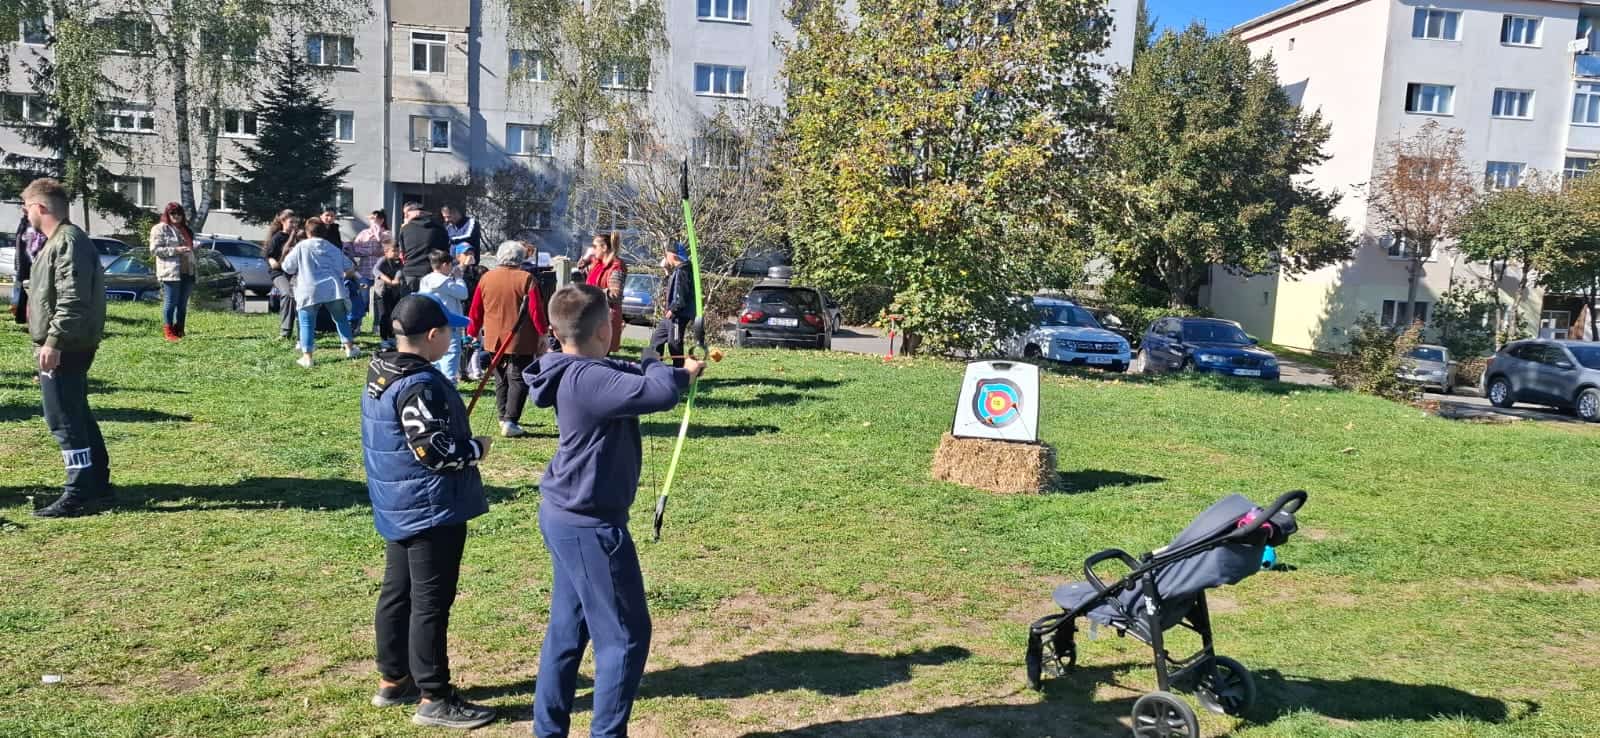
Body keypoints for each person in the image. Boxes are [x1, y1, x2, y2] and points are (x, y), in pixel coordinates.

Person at [527, 284, 703, 738]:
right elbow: (657, 392)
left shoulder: (576, 366)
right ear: (606, 328)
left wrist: (678, 368)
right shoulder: (589, 380)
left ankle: (548, 731)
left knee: (568, 630)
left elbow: (646, 379)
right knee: (625, 637)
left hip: (567, 515)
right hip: (590, 525)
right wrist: (657, 358)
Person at [360, 294, 497, 730]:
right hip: (429, 508)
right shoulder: (420, 384)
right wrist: (475, 450)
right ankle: (434, 696)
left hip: (398, 503)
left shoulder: (383, 370)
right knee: (430, 603)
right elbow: (434, 453)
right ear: (433, 335)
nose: (454, 338)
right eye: (450, 331)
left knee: (397, 592)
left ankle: (392, 678)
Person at [23, 178, 110, 519]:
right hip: (67, 342)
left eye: (27, 206)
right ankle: (96, 485)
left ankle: (78, 492)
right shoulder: (60, 241)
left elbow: (72, 299)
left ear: (41, 207)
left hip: (67, 343)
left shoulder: (68, 241)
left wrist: (53, 342)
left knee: (63, 418)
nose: (25, 213)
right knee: (76, 413)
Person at [466, 241, 549, 437]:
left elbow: (475, 308)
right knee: (518, 377)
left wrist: (472, 330)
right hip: (520, 337)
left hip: (494, 336)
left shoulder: (487, 278)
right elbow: (536, 310)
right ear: (521, 258)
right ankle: (510, 421)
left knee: (500, 377)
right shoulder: (527, 279)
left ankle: (503, 416)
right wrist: (543, 333)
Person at [282, 219, 360, 368]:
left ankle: (307, 357)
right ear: (324, 232)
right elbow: (349, 266)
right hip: (333, 289)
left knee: (307, 323)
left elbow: (288, 267)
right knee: (341, 319)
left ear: (307, 232)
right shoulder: (333, 248)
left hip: (309, 289)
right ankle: (349, 348)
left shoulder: (301, 246)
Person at [149, 202, 197, 341]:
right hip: (170, 272)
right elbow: (155, 250)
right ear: (167, 214)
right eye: (173, 213)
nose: (176, 216)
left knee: (182, 304)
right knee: (171, 303)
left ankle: (180, 329)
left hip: (188, 270)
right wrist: (176, 250)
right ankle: (168, 331)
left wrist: (194, 248)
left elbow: (190, 247)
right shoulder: (159, 229)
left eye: (179, 213)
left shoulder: (186, 229)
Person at [418, 250, 470, 381]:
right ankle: (448, 386)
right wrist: (458, 278)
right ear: (445, 265)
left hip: (431, 324)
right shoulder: (443, 281)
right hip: (448, 325)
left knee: (434, 357)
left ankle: (436, 383)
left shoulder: (426, 279)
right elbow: (463, 293)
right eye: (451, 265)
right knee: (450, 355)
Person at [580, 233, 628, 355]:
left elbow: (615, 295)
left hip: (605, 317)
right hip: (592, 314)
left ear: (604, 248)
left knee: (599, 355)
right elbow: (581, 268)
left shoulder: (616, 266)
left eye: (595, 246)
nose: (593, 249)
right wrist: (586, 257)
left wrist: (592, 292)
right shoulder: (598, 264)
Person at [649, 242, 695, 369]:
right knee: (656, 339)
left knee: (674, 343)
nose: (665, 257)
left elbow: (681, 295)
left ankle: (679, 371)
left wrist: (673, 309)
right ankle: (653, 367)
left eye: (666, 254)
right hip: (672, 314)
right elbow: (672, 287)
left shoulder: (683, 271)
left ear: (672, 255)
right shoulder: (678, 270)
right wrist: (666, 270)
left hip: (677, 315)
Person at [349, 210, 390, 334]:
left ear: (381, 220)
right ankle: (357, 325)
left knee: (379, 299)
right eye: (371, 219)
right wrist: (370, 252)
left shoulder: (387, 233)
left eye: (375, 218)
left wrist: (378, 236)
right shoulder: (363, 234)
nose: (372, 221)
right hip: (365, 271)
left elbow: (387, 249)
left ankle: (377, 326)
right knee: (362, 299)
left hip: (380, 273)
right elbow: (355, 250)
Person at [396, 202, 450, 293]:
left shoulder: (405, 229)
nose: (405, 217)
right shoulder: (439, 228)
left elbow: (403, 253)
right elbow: (444, 252)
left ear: (416, 213)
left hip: (410, 274)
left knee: (408, 306)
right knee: (429, 305)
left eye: (406, 215)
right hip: (431, 273)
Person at [265, 212, 302, 340]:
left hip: (295, 273)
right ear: (283, 222)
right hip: (279, 273)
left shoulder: (299, 238)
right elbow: (270, 257)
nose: (294, 225)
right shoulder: (277, 238)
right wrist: (274, 261)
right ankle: (285, 332)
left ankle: (303, 332)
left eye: (296, 222)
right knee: (287, 294)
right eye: (291, 222)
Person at [373, 238, 407, 352]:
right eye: (394, 251)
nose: (396, 253)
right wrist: (387, 280)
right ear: (386, 252)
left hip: (394, 292)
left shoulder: (398, 262)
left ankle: (391, 337)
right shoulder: (382, 260)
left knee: (393, 315)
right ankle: (383, 339)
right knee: (384, 315)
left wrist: (396, 279)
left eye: (398, 251)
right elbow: (376, 270)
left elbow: (399, 271)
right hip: (382, 293)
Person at [11, 214, 39, 324]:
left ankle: (24, 316)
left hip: (29, 264)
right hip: (23, 264)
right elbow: (19, 246)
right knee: (19, 289)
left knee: (25, 290)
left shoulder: (31, 229)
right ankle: (19, 315)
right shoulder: (24, 226)